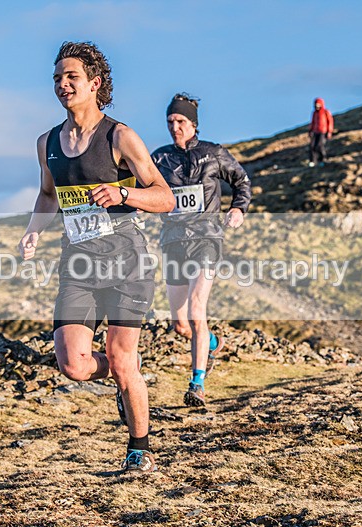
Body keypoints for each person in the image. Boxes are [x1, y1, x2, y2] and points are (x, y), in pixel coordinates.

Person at [18, 42, 175, 474]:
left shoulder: (120, 137)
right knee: (73, 364)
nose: (62, 85)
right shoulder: (47, 143)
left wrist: (124, 193)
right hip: (79, 266)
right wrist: (33, 231)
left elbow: (164, 197)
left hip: (127, 263)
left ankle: (139, 448)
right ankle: (126, 372)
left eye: (71, 77)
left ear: (94, 83)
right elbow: (48, 195)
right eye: (57, 78)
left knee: (122, 360)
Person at [151, 93, 252, 407]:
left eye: (181, 121)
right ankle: (212, 342)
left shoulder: (212, 153)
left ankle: (197, 384)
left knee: (197, 311)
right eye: (170, 121)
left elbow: (241, 180)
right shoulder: (159, 159)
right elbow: (143, 190)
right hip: (173, 242)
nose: (175, 127)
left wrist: (238, 208)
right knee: (181, 324)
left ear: (193, 124)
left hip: (206, 239)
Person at [308, 97, 334, 167]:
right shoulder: (314, 113)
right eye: (316, 104)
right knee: (312, 146)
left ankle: (322, 160)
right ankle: (312, 161)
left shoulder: (326, 112)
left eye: (318, 104)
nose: (317, 106)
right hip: (315, 131)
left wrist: (329, 131)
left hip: (323, 131)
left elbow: (330, 122)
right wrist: (310, 130)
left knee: (320, 146)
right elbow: (312, 122)